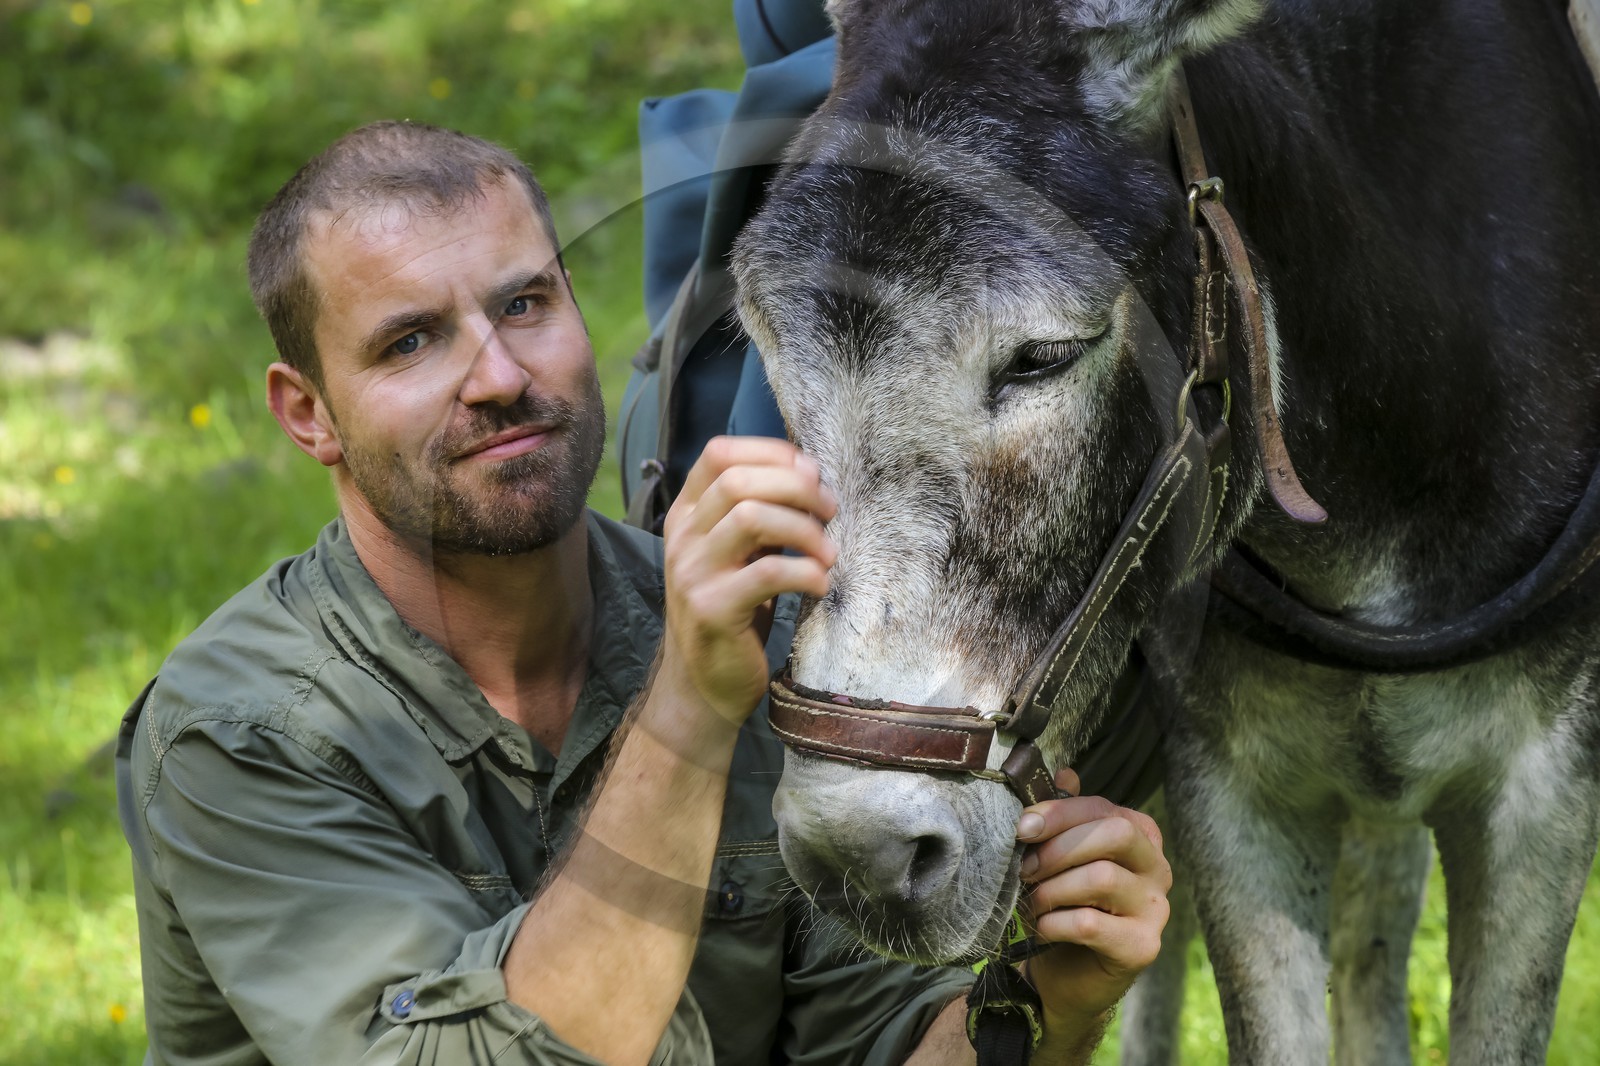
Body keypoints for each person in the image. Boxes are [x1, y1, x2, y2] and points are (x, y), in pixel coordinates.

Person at [115, 121, 1172, 1065]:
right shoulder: (241, 732)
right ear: (308, 414)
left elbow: (885, 1045)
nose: (495, 377)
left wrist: (1049, 1002)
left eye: (523, 303)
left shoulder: (770, 642)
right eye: (410, 341)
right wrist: (685, 709)